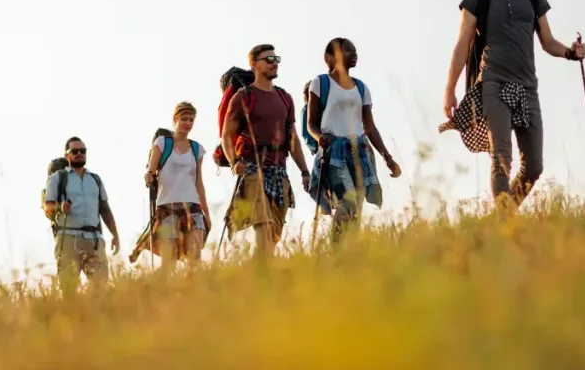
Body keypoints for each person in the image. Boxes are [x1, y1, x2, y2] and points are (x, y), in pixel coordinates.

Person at [442, 0, 585, 207]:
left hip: (528, 88)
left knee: (534, 166)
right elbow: (462, 45)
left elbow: (547, 42)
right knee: (501, 159)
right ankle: (508, 222)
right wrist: (449, 90)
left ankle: (503, 218)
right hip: (494, 85)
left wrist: (571, 52)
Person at [305, 37, 401, 243]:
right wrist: (320, 138)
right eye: (347, 50)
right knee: (347, 202)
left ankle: (350, 255)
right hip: (334, 152)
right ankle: (335, 251)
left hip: (360, 151)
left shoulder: (361, 88)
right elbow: (311, 123)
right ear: (328, 58)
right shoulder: (320, 83)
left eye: (355, 50)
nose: (354, 53)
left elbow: (369, 126)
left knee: (356, 206)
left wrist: (387, 157)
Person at [221, 43, 311, 257]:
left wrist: (305, 171)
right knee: (264, 226)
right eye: (268, 60)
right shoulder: (243, 97)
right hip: (253, 170)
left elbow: (293, 138)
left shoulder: (284, 98)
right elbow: (227, 135)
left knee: (273, 238)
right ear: (253, 64)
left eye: (276, 59)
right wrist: (234, 163)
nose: (274, 64)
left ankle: (259, 278)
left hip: (279, 171)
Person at [43, 136, 120, 295]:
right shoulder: (57, 178)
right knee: (69, 290)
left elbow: (104, 208)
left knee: (101, 288)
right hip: (69, 237)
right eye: (75, 151)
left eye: (82, 151)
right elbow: (47, 206)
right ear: (67, 156)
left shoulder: (95, 179)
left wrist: (115, 234)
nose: (79, 154)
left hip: (94, 239)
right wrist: (59, 207)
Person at [142, 102, 211, 267]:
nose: (188, 124)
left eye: (191, 120)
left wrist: (206, 212)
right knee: (169, 262)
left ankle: (193, 290)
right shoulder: (162, 143)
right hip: (167, 207)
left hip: (193, 207)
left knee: (194, 258)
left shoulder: (197, 149)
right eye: (184, 119)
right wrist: (149, 178)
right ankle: (162, 290)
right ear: (175, 119)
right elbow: (151, 171)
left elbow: (198, 181)